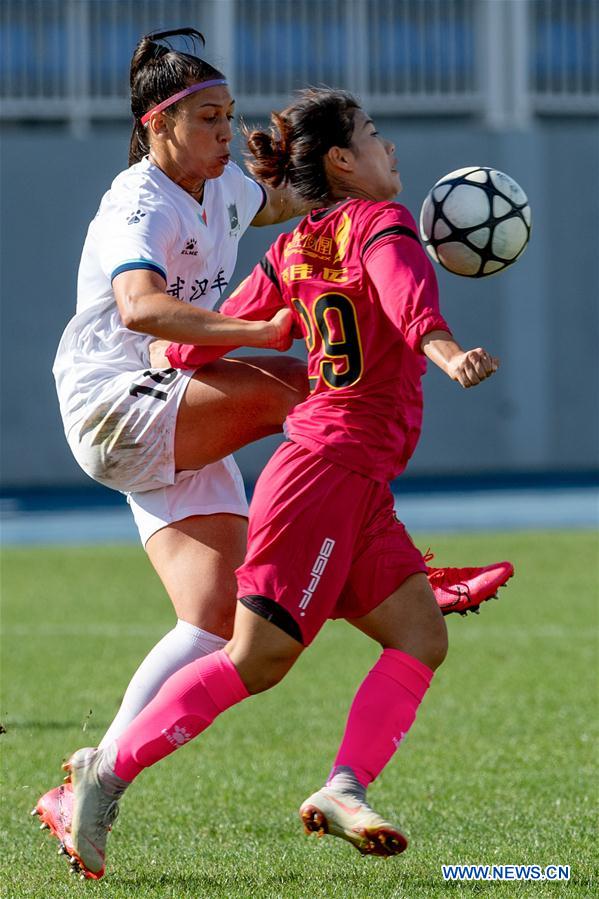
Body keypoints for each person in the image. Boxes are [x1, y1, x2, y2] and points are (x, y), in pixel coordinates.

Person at [38, 87, 514, 880]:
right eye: (371, 134)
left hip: (350, 482)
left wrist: (173, 358)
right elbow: (405, 298)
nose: (387, 147)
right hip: (325, 472)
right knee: (254, 659)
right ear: (340, 161)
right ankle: (106, 772)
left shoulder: (293, 249)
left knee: (420, 637)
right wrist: (444, 349)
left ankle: (343, 786)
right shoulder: (383, 222)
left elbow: (196, 345)